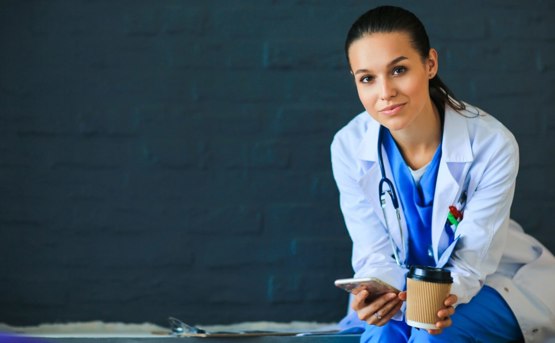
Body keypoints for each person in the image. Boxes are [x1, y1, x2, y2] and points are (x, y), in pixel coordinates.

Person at [331, 5, 555, 343]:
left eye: (399, 70)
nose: (385, 92)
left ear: (430, 64)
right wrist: (376, 291)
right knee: (381, 336)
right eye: (367, 78)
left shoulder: (492, 144)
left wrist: (431, 302)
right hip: (403, 287)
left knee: (429, 336)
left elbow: (472, 261)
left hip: (489, 283)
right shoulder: (348, 147)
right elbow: (372, 251)